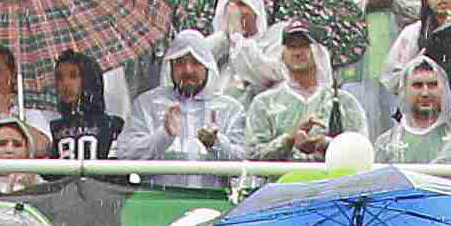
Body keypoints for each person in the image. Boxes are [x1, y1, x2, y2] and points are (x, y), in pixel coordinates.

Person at [243, 23, 369, 163]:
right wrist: (289, 139)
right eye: (291, 46)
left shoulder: (344, 102)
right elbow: (252, 156)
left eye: (304, 45)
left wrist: (324, 144)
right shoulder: (264, 103)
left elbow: (361, 151)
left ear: (319, 52)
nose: (297, 52)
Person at [114, 36, 246, 166]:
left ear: (207, 66)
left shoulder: (230, 109)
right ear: (170, 66)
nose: (188, 70)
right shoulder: (147, 104)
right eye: (180, 62)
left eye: (196, 62)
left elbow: (246, 161)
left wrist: (216, 144)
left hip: (211, 188)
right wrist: (163, 135)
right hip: (156, 187)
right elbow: (125, 154)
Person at [46, 49, 118, 162]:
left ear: (89, 80)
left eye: (73, 76)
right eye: (59, 78)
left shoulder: (112, 125)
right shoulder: (53, 129)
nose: (65, 83)